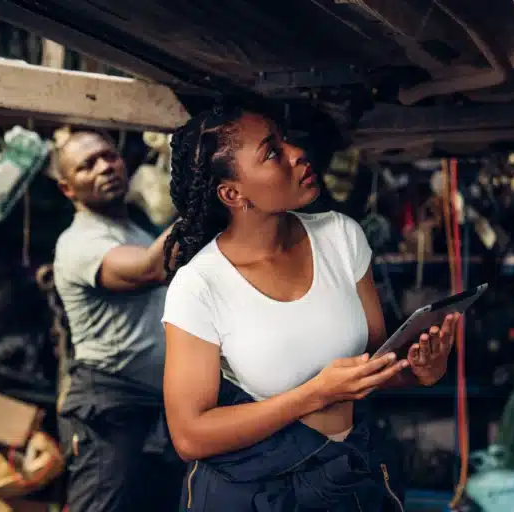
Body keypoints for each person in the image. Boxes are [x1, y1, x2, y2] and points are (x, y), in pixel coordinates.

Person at [161, 104, 459, 511]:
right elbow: (190, 436)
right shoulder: (199, 285)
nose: (297, 153)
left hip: (348, 474)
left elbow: (370, 367)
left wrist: (418, 371)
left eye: (286, 140)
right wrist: (311, 395)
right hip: (257, 491)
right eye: (272, 152)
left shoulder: (340, 236)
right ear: (233, 193)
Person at [52, 131, 183, 512]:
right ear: (67, 189)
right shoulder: (77, 242)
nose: (104, 166)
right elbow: (149, 268)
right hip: (111, 403)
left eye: (109, 156)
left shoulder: (137, 232)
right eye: (87, 165)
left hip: (154, 404)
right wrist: (202, 197)